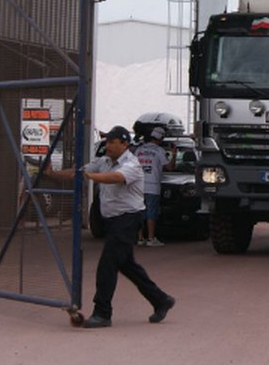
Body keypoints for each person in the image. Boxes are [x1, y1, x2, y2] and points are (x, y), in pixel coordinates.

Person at [45, 125, 175, 328]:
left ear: (124, 144)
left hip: (128, 219)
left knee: (107, 265)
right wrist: (54, 174)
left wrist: (90, 177)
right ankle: (161, 299)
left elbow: (116, 178)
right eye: (107, 142)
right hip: (113, 220)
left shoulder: (132, 164)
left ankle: (102, 313)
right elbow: (79, 172)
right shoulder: (104, 161)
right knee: (126, 265)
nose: (108, 146)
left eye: (112, 142)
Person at [136, 126, 170, 247]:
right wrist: (174, 155)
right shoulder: (159, 151)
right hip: (153, 186)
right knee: (151, 212)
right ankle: (150, 238)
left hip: (138, 185)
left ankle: (140, 238)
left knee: (139, 211)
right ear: (160, 138)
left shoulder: (139, 150)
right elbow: (169, 167)